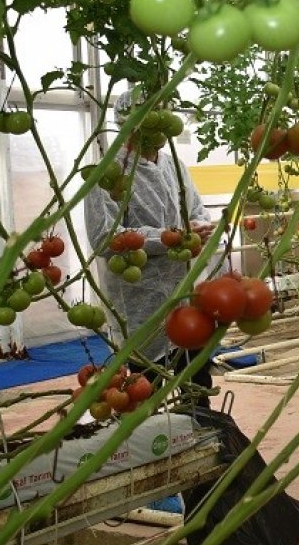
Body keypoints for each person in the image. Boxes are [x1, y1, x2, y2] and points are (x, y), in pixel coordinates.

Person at [84, 89, 217, 515]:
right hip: (139, 299)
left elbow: (194, 209)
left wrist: (199, 227)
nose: (162, 129)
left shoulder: (174, 164)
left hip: (187, 293)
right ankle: (147, 478)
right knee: (142, 389)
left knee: (196, 382)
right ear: (131, 124)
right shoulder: (107, 173)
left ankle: (202, 461)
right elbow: (105, 239)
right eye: (152, 121)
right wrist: (170, 239)